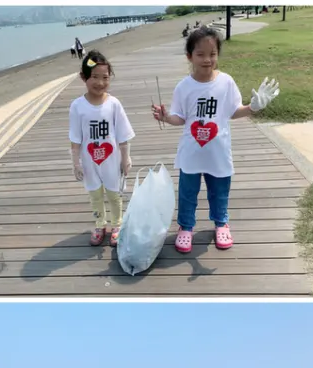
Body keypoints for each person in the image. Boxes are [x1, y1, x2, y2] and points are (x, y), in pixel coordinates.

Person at [151, 26, 279, 253]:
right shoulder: (184, 86)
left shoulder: (226, 82)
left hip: (218, 152)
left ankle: (221, 223)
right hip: (191, 152)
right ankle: (186, 227)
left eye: (212, 54)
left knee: (220, 190)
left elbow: (234, 111)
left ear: (218, 54)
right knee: (188, 192)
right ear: (189, 56)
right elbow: (180, 118)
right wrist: (166, 117)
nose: (207, 60)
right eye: (200, 54)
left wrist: (253, 108)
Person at [70, 50, 135, 247]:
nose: (100, 83)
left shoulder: (114, 104)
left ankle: (117, 224)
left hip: (111, 159)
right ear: (84, 77)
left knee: (114, 193)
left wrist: (126, 158)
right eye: (94, 77)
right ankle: (100, 224)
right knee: (95, 194)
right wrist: (76, 163)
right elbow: (75, 138)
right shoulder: (77, 106)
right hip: (89, 161)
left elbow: (123, 135)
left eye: (105, 77)